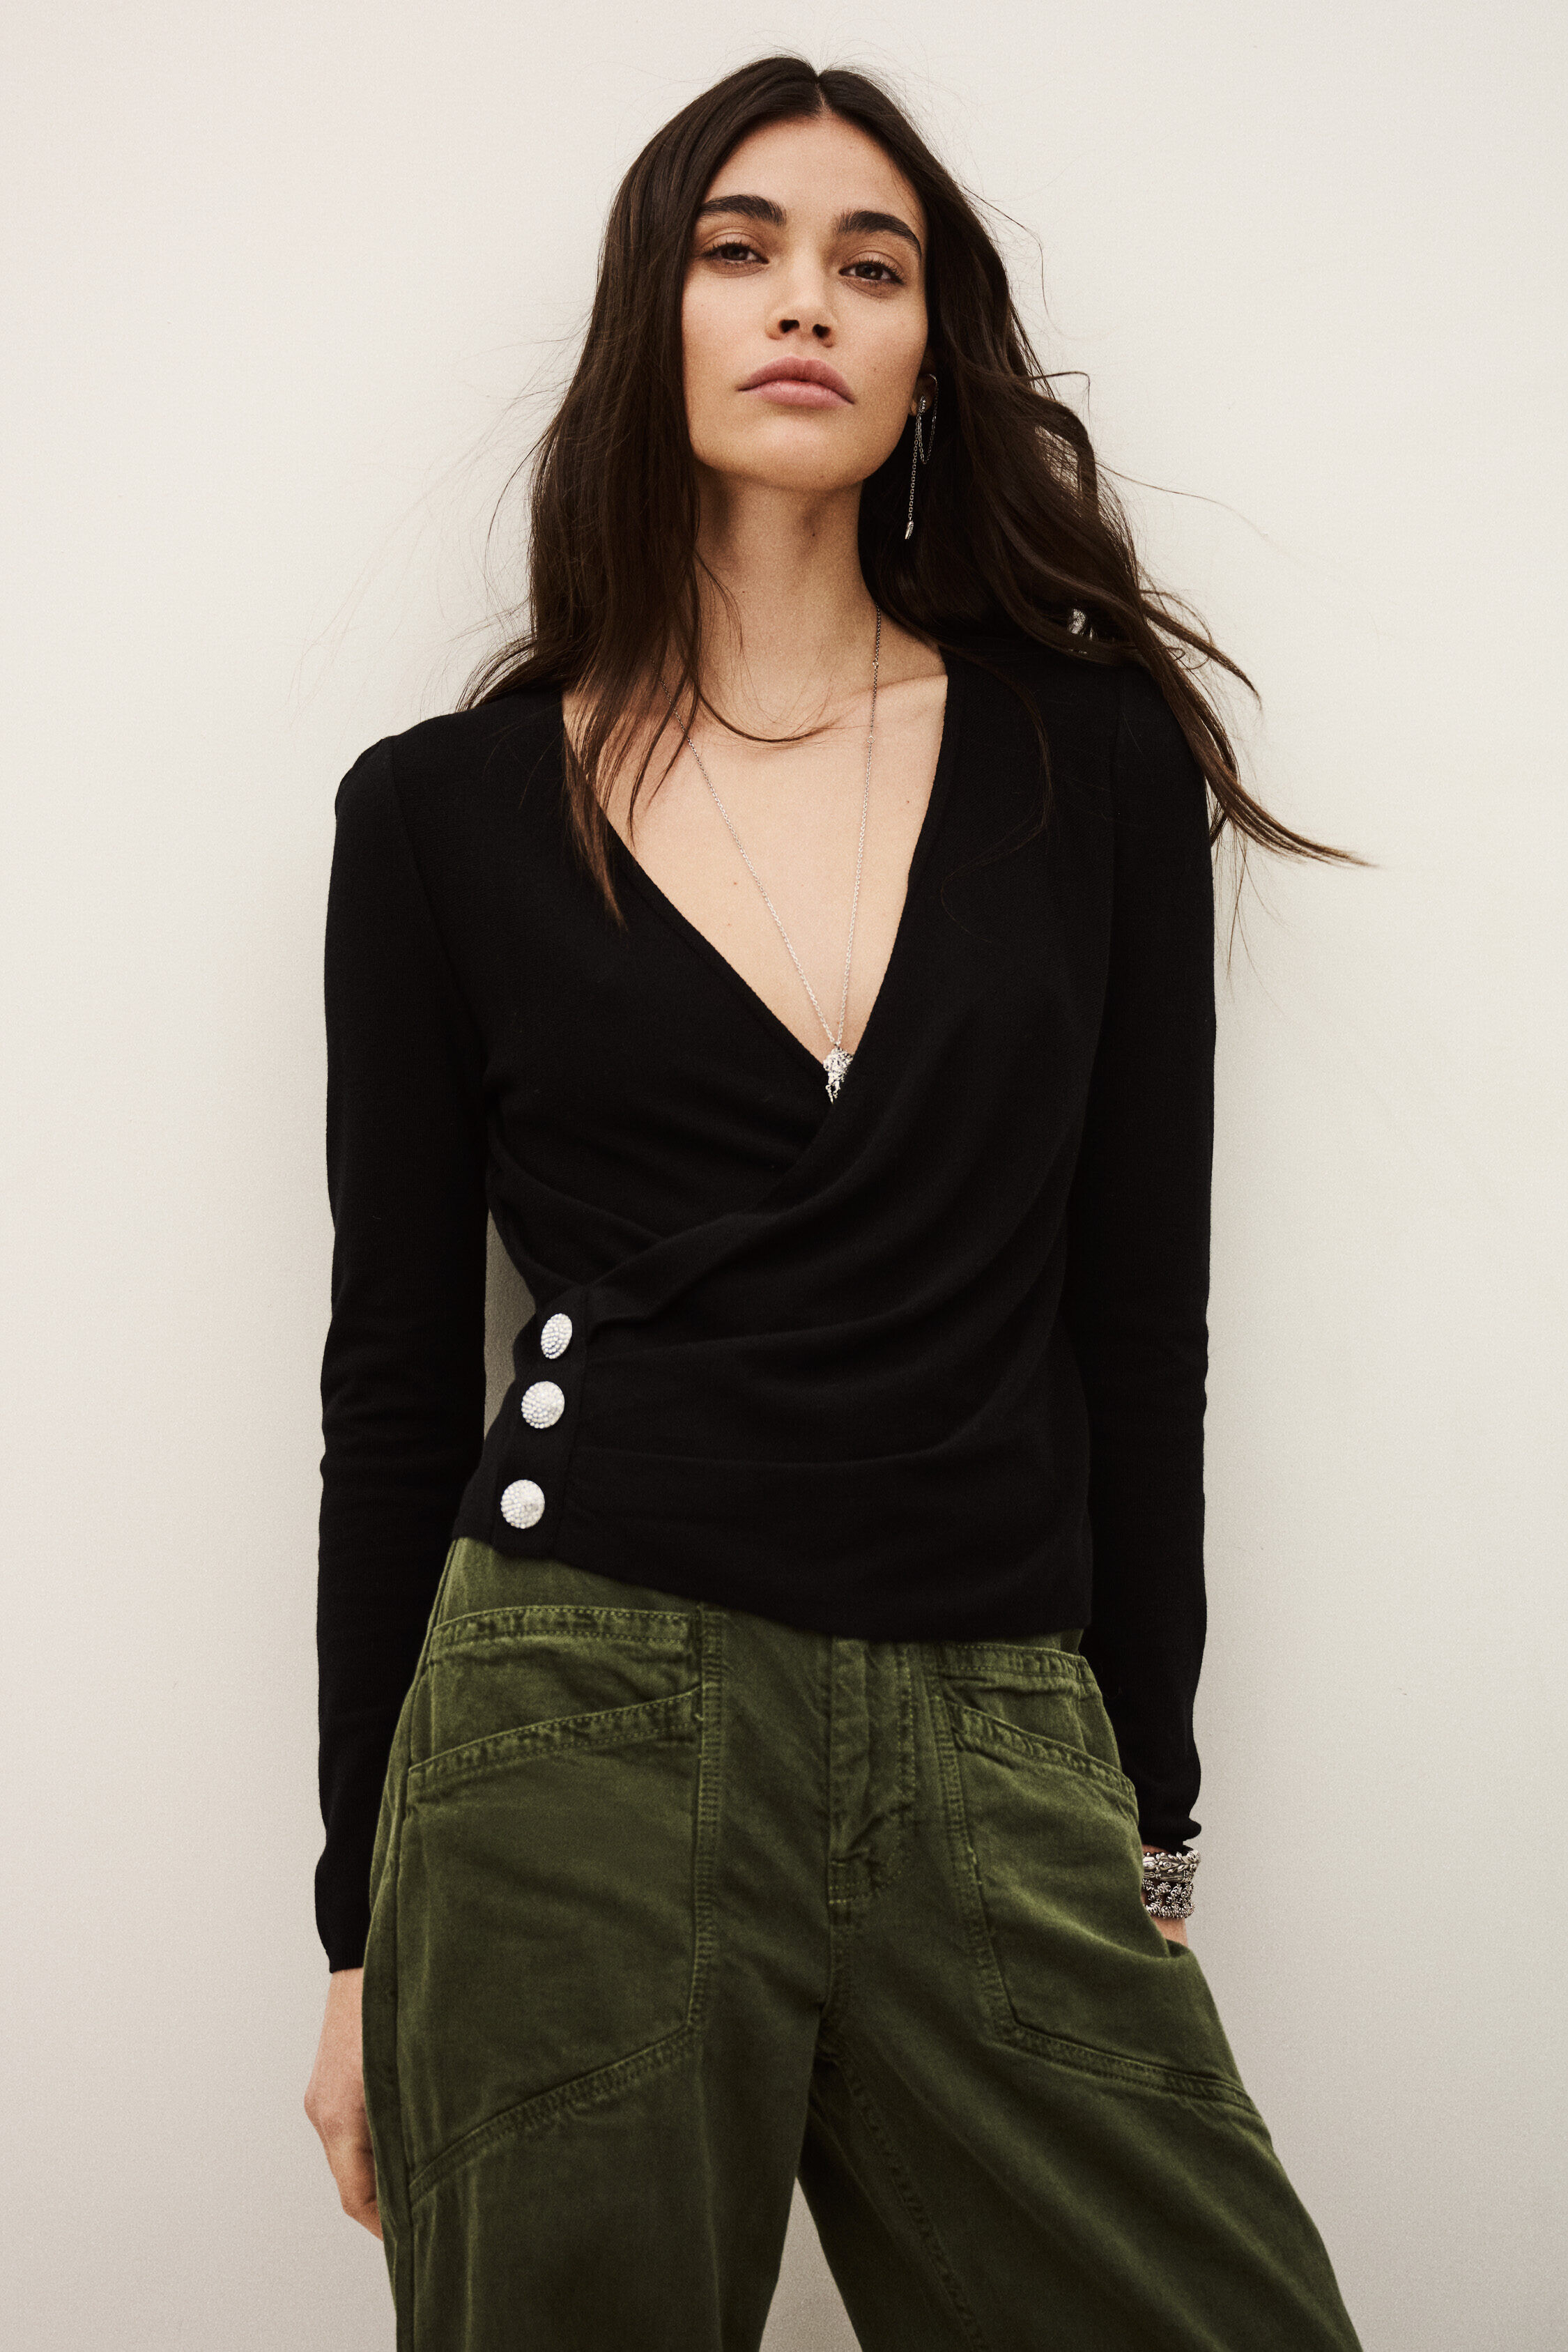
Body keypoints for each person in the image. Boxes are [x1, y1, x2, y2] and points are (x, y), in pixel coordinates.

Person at [303, 53, 1367, 2352]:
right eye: (739, 248)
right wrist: (358, 1934)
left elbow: (1134, 1324)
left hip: (994, 1715)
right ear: (656, 319)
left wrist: (1145, 1808)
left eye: (868, 267)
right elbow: (390, 1384)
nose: (804, 301)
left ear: (925, 359)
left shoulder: (1093, 764)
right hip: (569, 1713)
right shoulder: (438, 819)